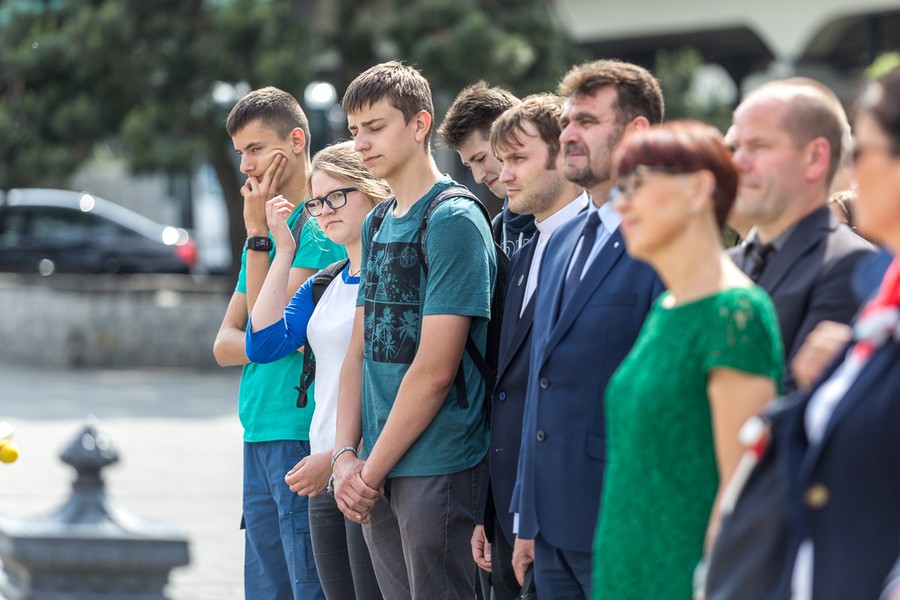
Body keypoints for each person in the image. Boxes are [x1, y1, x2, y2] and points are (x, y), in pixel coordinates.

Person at [592, 120, 783, 598]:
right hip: (625, 566)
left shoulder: (735, 313)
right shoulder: (666, 309)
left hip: (684, 577)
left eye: (637, 183)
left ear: (700, 188)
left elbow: (741, 497)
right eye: (619, 187)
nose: (621, 201)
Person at [331, 61, 497, 599]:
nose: (361, 144)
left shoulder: (452, 219)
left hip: (438, 465)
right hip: (375, 469)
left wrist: (368, 473)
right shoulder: (378, 220)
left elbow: (434, 370)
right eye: (354, 130)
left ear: (420, 123)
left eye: (375, 127)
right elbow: (358, 349)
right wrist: (343, 456)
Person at [510, 59, 665, 598]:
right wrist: (526, 517)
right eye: (569, 121)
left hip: (624, 525)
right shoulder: (562, 242)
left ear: (637, 133)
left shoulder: (668, 243)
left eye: (588, 122)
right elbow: (540, 386)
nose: (569, 135)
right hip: (549, 531)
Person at [212, 86, 344, 600]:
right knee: (265, 589)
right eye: (239, 151)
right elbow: (225, 344)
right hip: (257, 425)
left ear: (295, 140)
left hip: (300, 429)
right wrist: (261, 236)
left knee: (306, 586)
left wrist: (259, 239)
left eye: (255, 149)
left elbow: (271, 332)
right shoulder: (271, 228)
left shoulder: (323, 224)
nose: (245, 165)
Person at [245, 141, 387, 600]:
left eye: (336, 196)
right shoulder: (326, 280)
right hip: (326, 472)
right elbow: (263, 343)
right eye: (316, 201)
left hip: (371, 471)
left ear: (372, 191)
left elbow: (401, 382)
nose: (324, 211)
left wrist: (342, 453)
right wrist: (282, 250)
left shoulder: (396, 276)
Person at [468, 93, 587, 599]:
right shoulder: (524, 252)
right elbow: (508, 390)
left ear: (564, 155)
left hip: (571, 517)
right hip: (511, 511)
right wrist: (490, 511)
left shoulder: (601, 246)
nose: (502, 173)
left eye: (518, 158)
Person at [727, 77, 874, 394]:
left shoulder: (850, 264)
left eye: (758, 146)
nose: (737, 162)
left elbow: (798, 405)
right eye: (737, 147)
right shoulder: (724, 264)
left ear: (814, 158)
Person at [438, 81, 536, 256]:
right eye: (469, 166)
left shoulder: (585, 217)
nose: (477, 177)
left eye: (481, 158)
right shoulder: (494, 233)